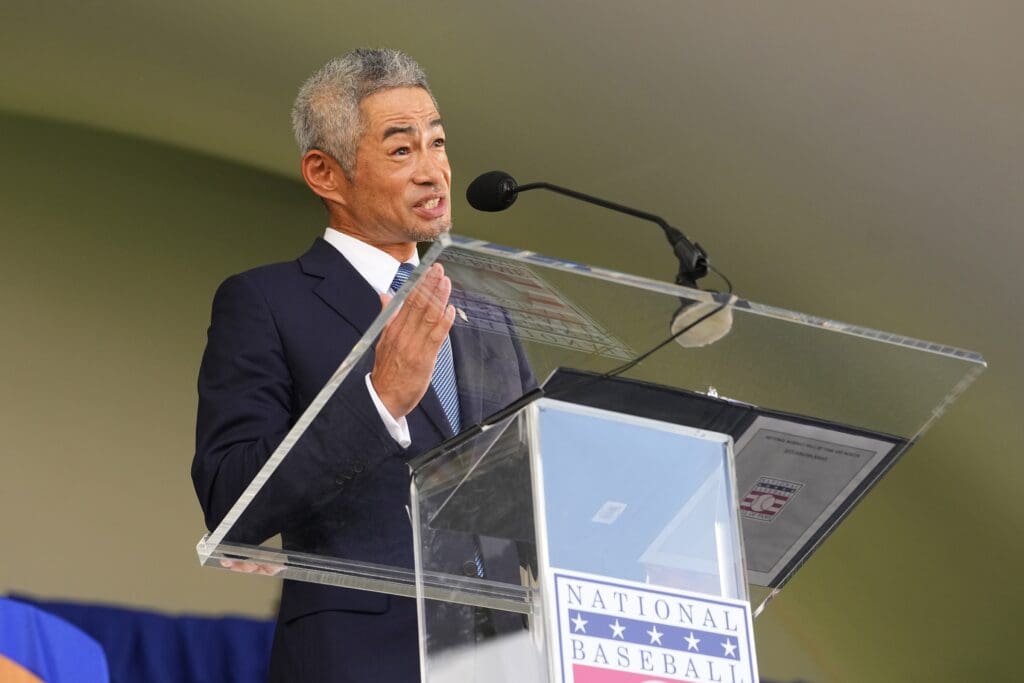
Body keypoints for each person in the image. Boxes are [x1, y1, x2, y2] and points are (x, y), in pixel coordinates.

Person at [191, 49, 533, 682]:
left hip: (505, 656)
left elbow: (529, 493)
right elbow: (231, 495)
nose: (434, 172)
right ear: (325, 173)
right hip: (365, 657)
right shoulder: (267, 302)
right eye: (402, 151)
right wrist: (379, 401)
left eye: (438, 143)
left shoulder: (489, 315)